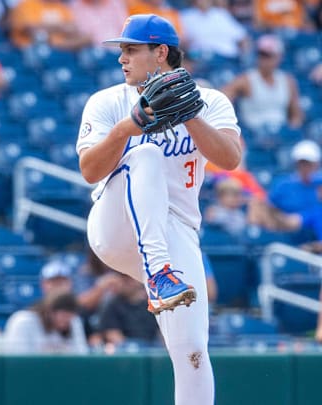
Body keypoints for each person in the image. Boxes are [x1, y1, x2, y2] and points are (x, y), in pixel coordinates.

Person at [76, 14, 243, 404]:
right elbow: (89, 171)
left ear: (161, 52)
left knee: (193, 351)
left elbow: (230, 158)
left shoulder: (210, 100)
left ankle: (160, 273)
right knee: (146, 153)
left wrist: (190, 114)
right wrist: (124, 130)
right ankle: (158, 272)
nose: (122, 58)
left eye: (131, 49)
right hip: (116, 227)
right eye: (122, 50)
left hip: (176, 230)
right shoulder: (108, 101)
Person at [222, 34, 304, 134]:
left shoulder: (288, 81)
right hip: (254, 134)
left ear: (279, 57)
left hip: (281, 133)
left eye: (268, 55)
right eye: (261, 55)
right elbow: (222, 98)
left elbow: (296, 115)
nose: (264, 59)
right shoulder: (245, 80)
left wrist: (291, 130)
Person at [2, 290, 88, 353]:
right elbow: (17, 359)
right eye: (63, 316)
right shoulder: (23, 321)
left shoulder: (74, 321)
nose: (67, 320)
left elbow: (81, 354)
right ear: (50, 312)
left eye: (70, 316)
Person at [98, 274, 161, 348]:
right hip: (126, 350)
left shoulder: (151, 303)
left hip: (153, 347)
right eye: (123, 279)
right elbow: (112, 334)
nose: (127, 283)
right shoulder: (112, 304)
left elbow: (161, 332)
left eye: (130, 279)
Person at [180, 0, 249, 61]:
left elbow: (242, 37)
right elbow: (181, 42)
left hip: (228, 58)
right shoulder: (186, 16)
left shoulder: (221, 14)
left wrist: (245, 55)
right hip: (201, 59)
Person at [8, 0, 90, 51]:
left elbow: (73, 29)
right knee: (40, 36)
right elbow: (31, 30)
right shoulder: (26, 4)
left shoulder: (61, 7)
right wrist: (60, 26)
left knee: (87, 38)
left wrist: (46, 27)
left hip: (62, 49)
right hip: (32, 51)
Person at [268, 140, 322, 214]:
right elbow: (270, 207)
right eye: (302, 163)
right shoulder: (283, 186)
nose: (305, 167)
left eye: (308, 164)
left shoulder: (319, 184)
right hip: (286, 224)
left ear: (316, 164)